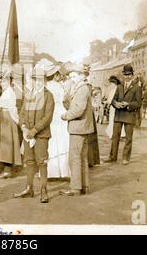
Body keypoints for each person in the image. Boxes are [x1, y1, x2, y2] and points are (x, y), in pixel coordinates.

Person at [13, 61, 55, 203]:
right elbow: (22, 112)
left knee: (42, 162)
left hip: (41, 135)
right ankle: (29, 188)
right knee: (29, 162)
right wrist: (24, 127)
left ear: (44, 80)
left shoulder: (48, 96)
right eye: (35, 79)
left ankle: (43, 190)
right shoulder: (29, 94)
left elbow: (47, 117)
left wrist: (35, 130)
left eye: (40, 79)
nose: (37, 82)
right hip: (27, 134)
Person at [60, 64, 94, 196]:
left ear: (81, 75)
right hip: (83, 127)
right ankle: (83, 186)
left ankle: (75, 188)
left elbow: (78, 109)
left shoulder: (82, 89)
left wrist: (65, 116)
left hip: (78, 128)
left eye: (74, 76)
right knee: (82, 157)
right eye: (70, 76)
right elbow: (69, 104)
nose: (72, 79)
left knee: (74, 158)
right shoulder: (81, 88)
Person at [104, 64, 142, 165]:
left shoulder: (137, 88)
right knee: (115, 137)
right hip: (118, 115)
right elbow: (113, 100)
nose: (127, 76)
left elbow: (138, 103)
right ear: (123, 75)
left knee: (128, 138)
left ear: (132, 75)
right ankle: (112, 157)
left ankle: (126, 158)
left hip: (129, 115)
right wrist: (115, 103)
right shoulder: (119, 87)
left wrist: (128, 104)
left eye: (129, 74)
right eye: (125, 74)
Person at [0, 74, 21, 179]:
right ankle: (5, 168)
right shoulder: (7, 91)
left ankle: (7, 170)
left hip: (7, 118)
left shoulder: (8, 92)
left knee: (7, 143)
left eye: (3, 82)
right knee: (3, 143)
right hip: (3, 116)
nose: (2, 84)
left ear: (8, 82)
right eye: (1, 82)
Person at [43, 60, 70, 179]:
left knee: (51, 141)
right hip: (59, 113)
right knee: (62, 141)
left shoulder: (46, 87)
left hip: (49, 114)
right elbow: (63, 100)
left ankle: (50, 171)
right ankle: (63, 171)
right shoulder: (59, 86)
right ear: (54, 75)